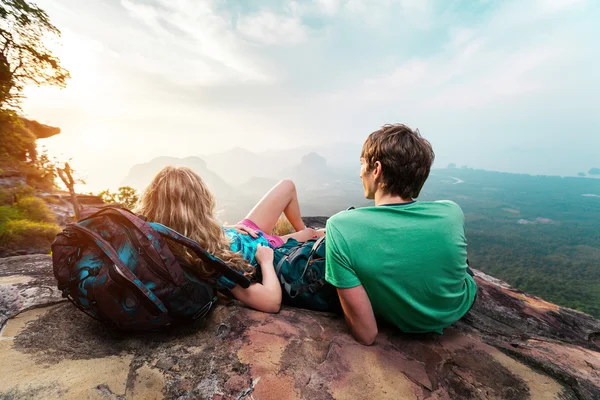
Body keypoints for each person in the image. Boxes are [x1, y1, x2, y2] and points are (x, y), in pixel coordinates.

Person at [325, 124, 477, 345]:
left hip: (400, 322)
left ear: (376, 169)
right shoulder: (451, 211)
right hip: (454, 311)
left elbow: (366, 335)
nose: (360, 173)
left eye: (362, 165)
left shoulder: (340, 227)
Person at [136, 166, 320, 313]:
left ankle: (300, 234)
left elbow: (186, 229)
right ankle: (297, 246)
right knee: (312, 234)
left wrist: (226, 229)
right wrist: (266, 261)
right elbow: (271, 303)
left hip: (241, 232)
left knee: (287, 185)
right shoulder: (211, 261)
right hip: (265, 248)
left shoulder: (158, 232)